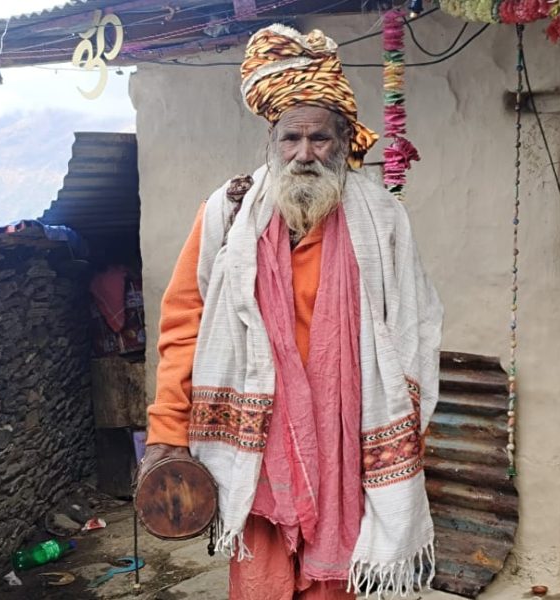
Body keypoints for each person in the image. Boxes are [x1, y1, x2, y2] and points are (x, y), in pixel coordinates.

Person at [140, 24, 444, 600]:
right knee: (262, 584)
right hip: (256, 452)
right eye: (291, 139)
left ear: (344, 141)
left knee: (343, 583)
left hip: (349, 448)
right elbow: (184, 326)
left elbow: (418, 329)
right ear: (271, 141)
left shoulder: (382, 222)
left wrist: (404, 431)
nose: (305, 154)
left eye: (320, 139)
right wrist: (167, 435)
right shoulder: (226, 217)